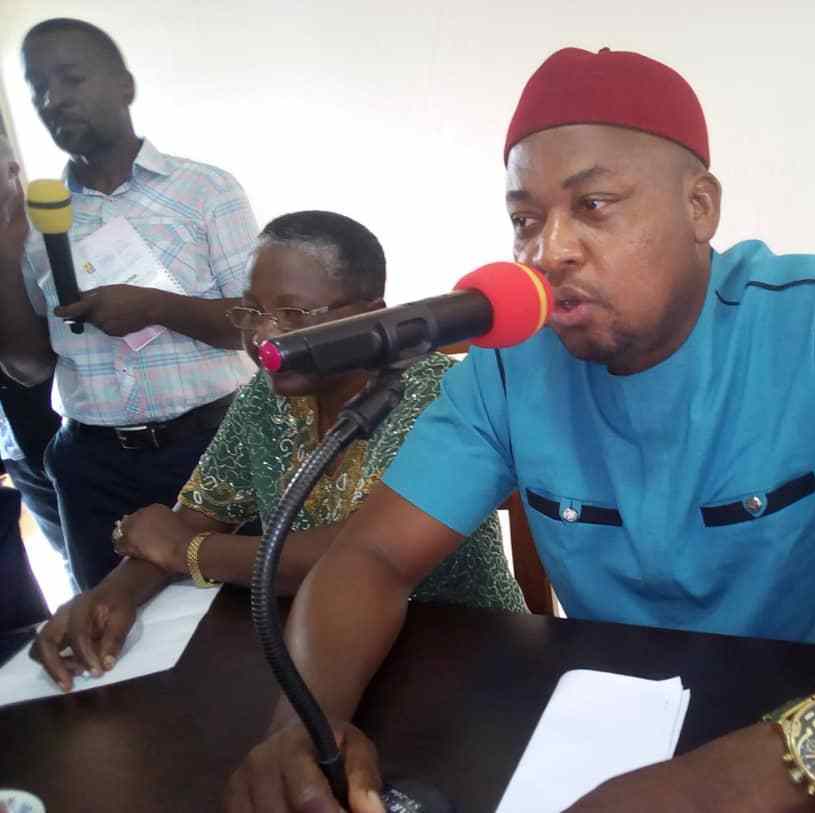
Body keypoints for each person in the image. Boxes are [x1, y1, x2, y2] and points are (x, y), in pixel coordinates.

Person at [224, 47, 815, 813]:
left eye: (594, 204)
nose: (548, 251)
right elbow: (370, 557)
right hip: (614, 738)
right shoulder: (508, 365)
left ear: (699, 206)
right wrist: (305, 724)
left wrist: (737, 781)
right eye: (525, 219)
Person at [28, 210, 526, 688]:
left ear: (371, 314)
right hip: (322, 647)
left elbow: (356, 555)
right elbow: (195, 516)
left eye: (292, 314)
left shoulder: (438, 393)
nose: (263, 335)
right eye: (252, 311)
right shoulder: (267, 396)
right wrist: (114, 593)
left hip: (461, 651)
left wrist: (186, 552)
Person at [0, 19, 258, 591]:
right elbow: (29, 367)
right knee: (108, 627)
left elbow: (255, 324)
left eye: (70, 78)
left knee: (240, 615)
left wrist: (157, 307)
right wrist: (1, 250)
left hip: (215, 449)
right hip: (91, 466)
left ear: (125, 86)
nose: (53, 99)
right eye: (38, 88)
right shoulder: (34, 222)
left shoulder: (207, 190)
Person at [0, 133, 66, 579]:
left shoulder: (52, 234)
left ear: (12, 170)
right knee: (75, 564)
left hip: (66, 432)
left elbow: (32, 365)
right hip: (18, 446)